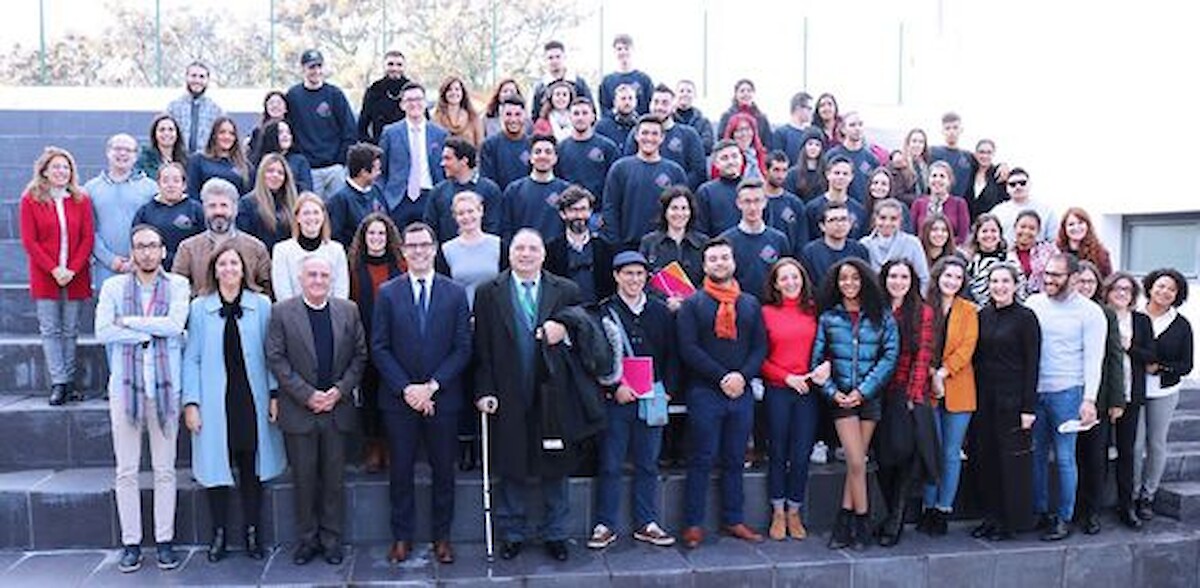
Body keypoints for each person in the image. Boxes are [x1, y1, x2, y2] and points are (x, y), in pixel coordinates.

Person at [473, 229, 583, 562]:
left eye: (533, 248)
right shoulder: (488, 292)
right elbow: (481, 348)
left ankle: (556, 532)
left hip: (553, 391)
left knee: (555, 463)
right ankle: (513, 533)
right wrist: (484, 390)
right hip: (507, 390)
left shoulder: (566, 290)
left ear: (543, 254)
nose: (526, 254)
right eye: (519, 248)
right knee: (512, 463)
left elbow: (583, 333)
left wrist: (564, 330)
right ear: (509, 254)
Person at [374, 222, 474, 565]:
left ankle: (441, 537)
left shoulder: (455, 293)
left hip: (442, 398)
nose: (418, 251)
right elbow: (380, 347)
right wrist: (407, 389)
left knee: (444, 471)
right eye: (411, 246)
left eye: (424, 245)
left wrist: (431, 387)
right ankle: (401, 537)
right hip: (398, 399)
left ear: (434, 249)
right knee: (400, 471)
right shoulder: (388, 293)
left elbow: (462, 347)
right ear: (403, 252)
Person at [183, 242, 286, 562]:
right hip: (215, 400)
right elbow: (192, 358)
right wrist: (191, 403)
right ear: (214, 270)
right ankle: (219, 534)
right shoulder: (199, 308)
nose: (229, 269)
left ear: (244, 270)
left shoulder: (262, 305)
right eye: (223, 264)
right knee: (216, 467)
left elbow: (272, 355)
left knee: (251, 465)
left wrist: (274, 394)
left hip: (250, 398)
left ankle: (252, 532)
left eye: (234, 264)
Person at [95, 225, 190, 573]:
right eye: (140, 246)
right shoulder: (113, 287)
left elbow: (176, 324)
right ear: (132, 252)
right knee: (127, 471)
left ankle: (164, 541)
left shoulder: (178, 285)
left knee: (165, 470)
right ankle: (131, 543)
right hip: (125, 390)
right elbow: (103, 331)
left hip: (165, 390)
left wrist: (129, 323)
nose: (147, 252)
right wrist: (150, 331)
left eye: (152, 246)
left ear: (163, 250)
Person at [266, 254, 366, 566]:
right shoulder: (282, 312)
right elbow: (276, 358)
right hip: (300, 411)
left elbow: (360, 356)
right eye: (312, 275)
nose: (318, 280)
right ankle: (307, 541)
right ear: (301, 279)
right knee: (304, 481)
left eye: (324, 275)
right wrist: (307, 395)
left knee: (334, 481)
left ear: (332, 279)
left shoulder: (348, 310)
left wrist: (339, 391)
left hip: (337, 410)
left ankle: (332, 540)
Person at [677, 237, 768, 549]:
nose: (719, 263)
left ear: (733, 262)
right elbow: (688, 348)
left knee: (735, 458)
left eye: (724, 258)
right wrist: (722, 377)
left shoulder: (750, 303)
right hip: (705, 391)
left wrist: (742, 376)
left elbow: (759, 347)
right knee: (701, 458)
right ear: (704, 265)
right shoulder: (693, 304)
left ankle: (734, 519)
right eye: (713, 259)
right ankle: (693, 523)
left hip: (741, 392)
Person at [587, 251, 679, 550]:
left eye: (640, 274)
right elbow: (595, 356)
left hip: (654, 396)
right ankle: (605, 524)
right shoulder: (604, 311)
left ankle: (647, 522)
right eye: (628, 273)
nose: (634, 279)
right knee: (611, 462)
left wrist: (668, 390)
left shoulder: (661, 312)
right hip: (617, 398)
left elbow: (673, 355)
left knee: (648, 462)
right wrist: (614, 387)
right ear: (616, 276)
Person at [812, 258, 899, 550]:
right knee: (856, 460)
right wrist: (832, 392)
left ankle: (844, 521)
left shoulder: (882, 316)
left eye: (855, 278)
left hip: (869, 397)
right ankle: (862, 522)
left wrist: (864, 391)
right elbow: (817, 362)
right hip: (841, 398)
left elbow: (889, 358)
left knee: (857, 461)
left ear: (865, 281)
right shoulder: (828, 318)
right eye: (843, 279)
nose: (849, 283)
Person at [1025, 253, 1107, 541]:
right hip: (1035, 392)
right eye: (1047, 273)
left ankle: (1064, 517)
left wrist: (1089, 399)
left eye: (1056, 275)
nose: (1048, 279)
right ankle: (1039, 511)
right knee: (1036, 455)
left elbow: (1094, 359)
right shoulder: (1033, 303)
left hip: (1068, 393)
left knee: (1064, 458)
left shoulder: (1090, 312)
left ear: (1073, 278)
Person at [760, 258, 828, 541]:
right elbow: (759, 357)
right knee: (778, 452)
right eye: (784, 278)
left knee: (801, 454)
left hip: (807, 392)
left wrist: (825, 367)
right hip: (779, 389)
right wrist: (786, 377)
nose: (790, 282)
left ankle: (794, 511)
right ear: (775, 284)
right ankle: (778, 511)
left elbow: (827, 347)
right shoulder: (765, 313)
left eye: (795, 277)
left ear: (803, 279)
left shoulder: (814, 310)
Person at [972, 263, 1041, 541]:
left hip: (1013, 400)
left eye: (1005, 281)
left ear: (1015, 285)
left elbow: (1033, 364)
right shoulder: (982, 315)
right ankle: (990, 517)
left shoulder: (1026, 318)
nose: (999, 287)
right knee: (985, 459)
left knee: (1010, 463)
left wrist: (1028, 407)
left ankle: (1010, 521)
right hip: (984, 399)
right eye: (994, 281)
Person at [20, 147, 94, 406]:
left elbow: (87, 238)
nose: (62, 172)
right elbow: (30, 241)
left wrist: (72, 269)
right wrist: (54, 269)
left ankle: (70, 382)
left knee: (71, 329)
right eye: (56, 167)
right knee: (50, 329)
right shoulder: (31, 199)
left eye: (66, 167)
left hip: (76, 274)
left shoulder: (81, 199)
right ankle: (59, 382)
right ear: (44, 171)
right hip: (45, 274)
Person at [874, 259, 935, 547]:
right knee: (883, 457)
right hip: (876, 389)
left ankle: (896, 520)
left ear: (912, 281)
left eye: (904, 277)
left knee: (902, 454)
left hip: (904, 392)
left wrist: (913, 395)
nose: (898, 282)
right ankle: (889, 515)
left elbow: (923, 356)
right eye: (893, 276)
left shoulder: (922, 312)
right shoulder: (877, 309)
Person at [918, 257, 978, 536]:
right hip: (927, 388)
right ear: (938, 276)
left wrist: (942, 374)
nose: (952, 281)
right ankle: (928, 507)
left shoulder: (969, 310)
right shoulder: (924, 306)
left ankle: (943, 509)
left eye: (957, 277)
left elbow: (967, 349)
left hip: (958, 387)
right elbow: (920, 345)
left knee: (951, 453)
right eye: (948, 275)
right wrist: (932, 375)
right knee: (931, 450)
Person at [346, 213, 406, 473]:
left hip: (397, 340)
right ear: (363, 237)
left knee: (392, 393)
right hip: (365, 339)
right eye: (371, 233)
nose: (376, 238)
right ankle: (373, 447)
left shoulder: (401, 265)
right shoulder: (353, 268)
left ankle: (392, 445)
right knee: (369, 394)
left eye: (381, 233)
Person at [1134, 268, 1194, 521]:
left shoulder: (1181, 325)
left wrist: (1160, 368)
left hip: (1164, 391)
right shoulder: (1134, 315)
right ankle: (1131, 494)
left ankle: (1148, 495)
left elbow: (1186, 365)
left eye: (1171, 289)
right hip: (1134, 389)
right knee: (1135, 445)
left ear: (1177, 295)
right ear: (1150, 287)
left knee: (1156, 443)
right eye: (1160, 286)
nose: (1165, 292)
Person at [1072, 260, 1127, 535]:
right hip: (1068, 393)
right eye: (1081, 281)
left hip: (1100, 397)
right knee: (1070, 456)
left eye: (1091, 282)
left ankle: (1091, 511)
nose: (1085, 286)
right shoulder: (1063, 310)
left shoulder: (1105, 314)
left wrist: (1117, 400)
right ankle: (1070, 508)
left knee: (1095, 456)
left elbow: (1115, 357)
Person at [1103, 272, 1154, 528]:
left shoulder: (1141, 321)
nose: (1122, 293)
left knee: (1127, 451)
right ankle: (1090, 507)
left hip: (1131, 395)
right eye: (1117, 289)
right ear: (1108, 292)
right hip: (1103, 396)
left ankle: (1127, 506)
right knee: (1097, 452)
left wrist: (1128, 346)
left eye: (1127, 289)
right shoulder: (1100, 315)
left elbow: (1150, 355)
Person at [173, 178, 272, 298]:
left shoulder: (256, 248)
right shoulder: (187, 249)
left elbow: (266, 289)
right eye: (212, 206)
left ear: (235, 209)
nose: (218, 211)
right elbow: (178, 289)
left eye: (224, 205)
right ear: (204, 209)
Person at [601, 115, 688, 250]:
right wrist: (616, 245)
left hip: (664, 246)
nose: (649, 138)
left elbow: (683, 210)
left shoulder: (675, 171)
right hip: (628, 247)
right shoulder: (620, 168)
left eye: (654, 134)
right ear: (636, 136)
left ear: (662, 138)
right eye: (645, 133)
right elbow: (610, 208)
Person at [86, 133, 158, 287]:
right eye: (118, 149)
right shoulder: (91, 189)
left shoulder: (151, 188)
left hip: (142, 266)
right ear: (108, 152)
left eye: (128, 150)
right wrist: (109, 259)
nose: (122, 153)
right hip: (104, 268)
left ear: (136, 156)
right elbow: (88, 230)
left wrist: (138, 257)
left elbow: (155, 227)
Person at [286, 49, 357, 200]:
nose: (316, 71)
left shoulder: (335, 94)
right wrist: (300, 160)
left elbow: (349, 130)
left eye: (319, 66)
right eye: (312, 67)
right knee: (310, 209)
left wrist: (341, 161)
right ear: (303, 69)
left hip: (334, 169)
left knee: (337, 210)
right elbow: (288, 129)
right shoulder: (293, 96)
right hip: (308, 170)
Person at [379, 81, 449, 230]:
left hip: (430, 196)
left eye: (418, 99)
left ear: (425, 103)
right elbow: (381, 170)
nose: (414, 104)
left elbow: (446, 169)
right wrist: (384, 198)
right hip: (398, 199)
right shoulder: (390, 133)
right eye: (409, 100)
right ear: (402, 105)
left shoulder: (440, 134)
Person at [622, 84, 707, 190]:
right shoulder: (637, 132)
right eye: (656, 102)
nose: (659, 107)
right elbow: (628, 166)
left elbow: (698, 172)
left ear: (673, 106)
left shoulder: (689, 135)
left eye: (665, 103)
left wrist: (674, 191)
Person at [719, 178, 792, 300]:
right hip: (738, 305)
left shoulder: (779, 239)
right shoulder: (726, 241)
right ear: (738, 203)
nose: (752, 207)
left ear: (765, 202)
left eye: (757, 201)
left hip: (772, 305)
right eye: (747, 201)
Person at [271, 193, 350, 301]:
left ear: (323, 216)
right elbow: (283, 294)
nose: (312, 218)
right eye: (306, 213)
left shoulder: (337, 250)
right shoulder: (282, 251)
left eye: (316, 212)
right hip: (293, 310)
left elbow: (341, 293)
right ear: (297, 217)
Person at [424, 137, 503, 243]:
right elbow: (431, 229)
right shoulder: (438, 192)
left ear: (464, 161)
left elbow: (494, 227)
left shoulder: (490, 190)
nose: (442, 163)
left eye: (448, 159)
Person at [545, 186, 615, 303]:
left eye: (583, 209)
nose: (579, 215)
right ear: (562, 214)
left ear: (590, 211)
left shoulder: (605, 248)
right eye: (573, 210)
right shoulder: (551, 250)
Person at [639, 185, 708, 301]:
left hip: (696, 306)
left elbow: (710, 279)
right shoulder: (649, 242)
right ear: (665, 211)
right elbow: (642, 281)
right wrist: (665, 301)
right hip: (659, 307)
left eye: (684, 208)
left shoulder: (703, 242)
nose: (679, 213)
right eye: (674, 208)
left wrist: (691, 300)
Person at [499, 134, 571, 242]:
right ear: (530, 157)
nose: (543, 156)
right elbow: (506, 228)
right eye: (537, 152)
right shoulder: (514, 190)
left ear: (555, 158)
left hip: (557, 251)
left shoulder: (566, 191)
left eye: (548, 152)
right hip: (524, 250)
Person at [132, 163, 204, 270]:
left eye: (176, 180)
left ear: (184, 185)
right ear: (158, 184)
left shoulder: (196, 209)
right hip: (154, 270)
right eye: (165, 181)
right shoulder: (145, 212)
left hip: (189, 269)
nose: (171, 185)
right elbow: (136, 243)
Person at [439, 192, 502, 306]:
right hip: (461, 312)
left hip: (495, 311)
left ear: (481, 211)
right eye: (461, 213)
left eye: (470, 211)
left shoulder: (499, 245)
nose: (466, 217)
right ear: (455, 217)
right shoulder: (446, 250)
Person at [556, 97, 619, 207]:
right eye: (576, 113)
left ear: (593, 117)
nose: (580, 117)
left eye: (585, 113)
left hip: (599, 211)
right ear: (570, 117)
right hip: (570, 210)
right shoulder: (560, 148)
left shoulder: (608, 147)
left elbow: (615, 183)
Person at [860, 198, 930, 290]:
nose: (887, 223)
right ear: (875, 218)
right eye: (882, 218)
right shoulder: (864, 244)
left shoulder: (913, 243)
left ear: (900, 220)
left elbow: (924, 278)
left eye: (893, 219)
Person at [236, 152, 299, 251]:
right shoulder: (246, 204)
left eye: (280, 173)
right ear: (261, 174)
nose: (275, 175)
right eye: (270, 171)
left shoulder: (293, 203)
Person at [326, 142, 386, 247]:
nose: (379, 173)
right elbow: (336, 237)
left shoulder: (376, 191)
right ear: (363, 172)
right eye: (376, 170)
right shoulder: (340, 200)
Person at [800, 203, 870, 290]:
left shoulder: (860, 250)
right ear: (822, 226)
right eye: (833, 220)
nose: (839, 224)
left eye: (844, 219)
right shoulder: (810, 253)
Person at [804, 156, 868, 242]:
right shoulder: (812, 208)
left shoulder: (859, 211)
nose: (841, 177)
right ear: (827, 174)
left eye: (845, 174)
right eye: (837, 173)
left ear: (851, 177)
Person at [166, 61, 224, 153]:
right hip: (178, 159)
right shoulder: (173, 108)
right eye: (193, 76)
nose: (197, 81)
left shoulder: (216, 110)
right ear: (186, 77)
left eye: (202, 77)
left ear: (207, 80)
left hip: (206, 159)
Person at [186, 116, 250, 200]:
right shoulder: (198, 160)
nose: (227, 137)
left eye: (231, 133)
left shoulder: (245, 166)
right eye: (222, 132)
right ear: (214, 135)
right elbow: (192, 193)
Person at [825, 111, 882, 204]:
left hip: (863, 209)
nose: (857, 128)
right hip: (837, 207)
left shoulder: (871, 159)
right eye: (852, 125)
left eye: (860, 124)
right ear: (843, 129)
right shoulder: (832, 155)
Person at [479, 96, 533, 192]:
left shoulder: (533, 145)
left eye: (518, 114)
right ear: (501, 116)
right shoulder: (489, 145)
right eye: (508, 114)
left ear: (525, 116)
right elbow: (487, 181)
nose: (513, 119)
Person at [991, 167, 1058, 242]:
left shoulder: (1046, 211)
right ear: (1006, 188)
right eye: (1012, 184)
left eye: (1022, 183)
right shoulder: (997, 212)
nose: (1018, 187)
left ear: (1030, 184)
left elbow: (1053, 240)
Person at [911, 162, 970, 246]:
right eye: (934, 176)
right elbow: (912, 234)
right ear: (928, 181)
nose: (937, 179)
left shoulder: (959, 204)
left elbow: (962, 236)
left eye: (942, 176)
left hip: (950, 250)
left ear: (949, 181)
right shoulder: (918, 204)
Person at [694, 140, 745, 237]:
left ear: (742, 159)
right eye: (724, 158)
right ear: (716, 163)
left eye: (734, 156)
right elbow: (700, 231)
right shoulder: (706, 192)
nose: (731, 162)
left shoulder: (754, 189)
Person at [358, 49, 409, 144]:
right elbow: (362, 125)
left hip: (407, 145)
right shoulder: (374, 90)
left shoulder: (412, 90)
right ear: (384, 66)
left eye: (399, 65)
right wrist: (371, 145)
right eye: (390, 64)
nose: (395, 68)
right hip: (381, 145)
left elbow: (424, 120)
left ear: (404, 67)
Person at [763, 151, 811, 251]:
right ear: (766, 170)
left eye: (784, 170)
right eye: (776, 170)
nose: (780, 175)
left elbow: (802, 239)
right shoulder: (755, 202)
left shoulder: (795, 204)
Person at [1006, 210, 1059, 300]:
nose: (1026, 231)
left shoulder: (1049, 251)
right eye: (1022, 227)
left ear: (1038, 231)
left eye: (1032, 228)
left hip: (1044, 301)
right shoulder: (1005, 253)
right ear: (1015, 227)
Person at [531, 40, 593, 116]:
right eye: (550, 58)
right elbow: (535, 115)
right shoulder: (540, 87)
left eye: (558, 57)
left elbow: (591, 110)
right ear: (545, 60)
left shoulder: (578, 83)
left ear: (564, 57)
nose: (554, 61)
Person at [598, 34, 653, 119]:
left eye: (626, 48)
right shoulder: (607, 81)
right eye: (619, 49)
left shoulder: (644, 80)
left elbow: (650, 108)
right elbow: (604, 110)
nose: (623, 52)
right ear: (614, 52)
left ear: (633, 50)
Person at [253, 119, 314, 192]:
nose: (285, 135)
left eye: (288, 132)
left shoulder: (300, 161)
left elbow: (306, 189)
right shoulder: (260, 160)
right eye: (280, 132)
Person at [716, 79, 773, 152]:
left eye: (749, 91)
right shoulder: (727, 116)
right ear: (736, 94)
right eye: (742, 91)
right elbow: (721, 140)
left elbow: (768, 143)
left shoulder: (762, 118)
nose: (746, 94)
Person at [964, 213, 1008, 305]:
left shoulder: (1008, 260)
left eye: (993, 231)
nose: (989, 235)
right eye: (984, 231)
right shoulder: (968, 262)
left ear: (1000, 235)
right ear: (976, 235)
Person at [1057, 207, 1112, 277]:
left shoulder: (1100, 254)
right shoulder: (1057, 251)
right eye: (1071, 224)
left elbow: (1107, 280)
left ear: (1087, 226)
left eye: (1080, 223)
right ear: (1064, 228)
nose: (1076, 227)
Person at [928, 112, 973, 199]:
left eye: (955, 128)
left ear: (961, 130)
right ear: (942, 131)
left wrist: (1000, 167)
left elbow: (986, 167)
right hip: (935, 203)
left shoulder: (968, 157)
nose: (951, 132)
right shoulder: (932, 152)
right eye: (947, 128)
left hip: (959, 204)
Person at [431, 75, 484, 148]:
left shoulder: (473, 117)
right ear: (444, 93)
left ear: (462, 93)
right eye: (449, 89)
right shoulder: (436, 119)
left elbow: (480, 146)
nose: (454, 92)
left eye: (457, 89)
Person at [135, 113, 188, 179]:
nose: (166, 133)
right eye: (162, 130)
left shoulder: (186, 160)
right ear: (155, 134)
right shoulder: (144, 159)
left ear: (177, 134)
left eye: (171, 129)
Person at [967, 139, 1008, 219]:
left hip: (989, 223)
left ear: (993, 154)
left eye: (989, 152)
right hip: (967, 222)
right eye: (981, 152)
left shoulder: (999, 175)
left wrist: (1004, 165)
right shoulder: (968, 172)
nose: (985, 156)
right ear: (975, 154)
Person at [721, 112, 770, 181]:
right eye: (739, 130)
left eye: (747, 129)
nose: (744, 134)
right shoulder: (723, 158)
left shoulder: (761, 156)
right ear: (732, 134)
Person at [783, 129, 828, 202]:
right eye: (810, 144)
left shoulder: (826, 174)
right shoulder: (792, 174)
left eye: (817, 145)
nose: (813, 148)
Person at [247, 90, 289, 165]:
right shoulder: (258, 131)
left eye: (279, 103)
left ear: (286, 108)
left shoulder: (292, 128)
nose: (275, 106)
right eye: (271, 103)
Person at [864, 167, 912, 233]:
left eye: (884, 184)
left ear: (890, 187)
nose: (878, 187)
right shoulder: (864, 210)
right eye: (875, 183)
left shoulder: (901, 209)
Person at [673, 80, 714, 155]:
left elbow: (707, 146)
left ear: (694, 95)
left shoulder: (704, 122)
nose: (685, 94)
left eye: (689, 91)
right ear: (675, 95)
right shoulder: (670, 120)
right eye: (681, 91)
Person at [772, 92, 814, 165]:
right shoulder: (781, 133)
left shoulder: (811, 133)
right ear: (798, 108)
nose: (811, 112)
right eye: (809, 108)